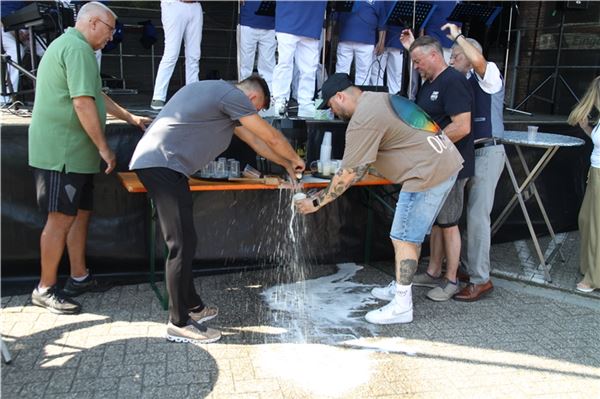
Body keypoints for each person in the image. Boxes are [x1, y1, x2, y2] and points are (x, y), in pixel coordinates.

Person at [129, 75, 305, 343]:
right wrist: (296, 159)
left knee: (188, 240)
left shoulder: (219, 98)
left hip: (165, 166)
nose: (253, 115)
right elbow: (268, 135)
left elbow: (256, 143)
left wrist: (286, 164)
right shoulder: (230, 95)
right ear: (253, 99)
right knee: (179, 245)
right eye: (256, 111)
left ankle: (194, 307)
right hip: (161, 164)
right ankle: (179, 323)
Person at [295, 73, 463, 324]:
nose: (332, 112)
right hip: (441, 162)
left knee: (403, 237)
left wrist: (316, 202)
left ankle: (402, 306)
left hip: (426, 172)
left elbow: (349, 173)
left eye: (331, 105)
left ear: (340, 96)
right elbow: (362, 166)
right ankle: (399, 287)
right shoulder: (377, 99)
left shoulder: (364, 118)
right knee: (408, 236)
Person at [28, 2, 151, 314]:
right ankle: (44, 288)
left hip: (74, 154)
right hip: (63, 153)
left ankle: (79, 277)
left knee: (79, 215)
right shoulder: (77, 49)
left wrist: (130, 118)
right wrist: (104, 148)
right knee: (60, 218)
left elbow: (97, 94)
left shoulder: (75, 48)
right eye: (110, 30)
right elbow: (83, 103)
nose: (111, 37)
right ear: (94, 23)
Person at [400, 33, 473, 302]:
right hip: (435, 166)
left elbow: (462, 126)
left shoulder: (453, 81)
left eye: (418, 61)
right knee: (438, 222)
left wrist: (430, 143)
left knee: (449, 223)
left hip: (453, 165)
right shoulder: (431, 82)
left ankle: (451, 279)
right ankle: (432, 271)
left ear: (434, 56)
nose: (416, 67)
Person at [441, 23, 506, 301]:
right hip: (469, 153)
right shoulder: (463, 81)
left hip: (487, 151)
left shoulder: (489, 75)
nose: (451, 59)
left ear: (469, 56)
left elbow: (479, 61)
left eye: (456, 55)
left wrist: (459, 36)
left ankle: (481, 279)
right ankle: (468, 268)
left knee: (478, 216)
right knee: (466, 215)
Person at [567, 75, 600, 293]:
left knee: (596, 226)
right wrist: (588, 130)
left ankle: (594, 277)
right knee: (586, 219)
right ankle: (589, 267)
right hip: (595, 171)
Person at [271, 1, 327, 118]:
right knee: (285, 63)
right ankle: (280, 100)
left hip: (312, 19)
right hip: (289, 16)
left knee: (310, 67)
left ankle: (305, 103)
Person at [150, 0, 203, 110]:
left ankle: (193, 95)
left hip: (195, 5)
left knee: (194, 55)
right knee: (171, 53)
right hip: (174, 5)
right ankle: (158, 96)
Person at [1, 1, 46, 105]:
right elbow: (3, 18)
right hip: (5, 28)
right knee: (16, 52)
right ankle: (6, 97)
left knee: (46, 50)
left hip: (25, 26)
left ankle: (53, 89)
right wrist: (15, 33)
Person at [335, 0, 387, 86]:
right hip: (345, 38)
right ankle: (340, 97)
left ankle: (362, 98)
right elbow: (335, 16)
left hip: (366, 41)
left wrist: (381, 42)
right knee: (341, 73)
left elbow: (382, 22)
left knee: (363, 75)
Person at [238, 0, 276, 91]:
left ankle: (268, 95)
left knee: (268, 65)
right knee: (245, 64)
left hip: (271, 24)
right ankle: (244, 94)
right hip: (248, 21)